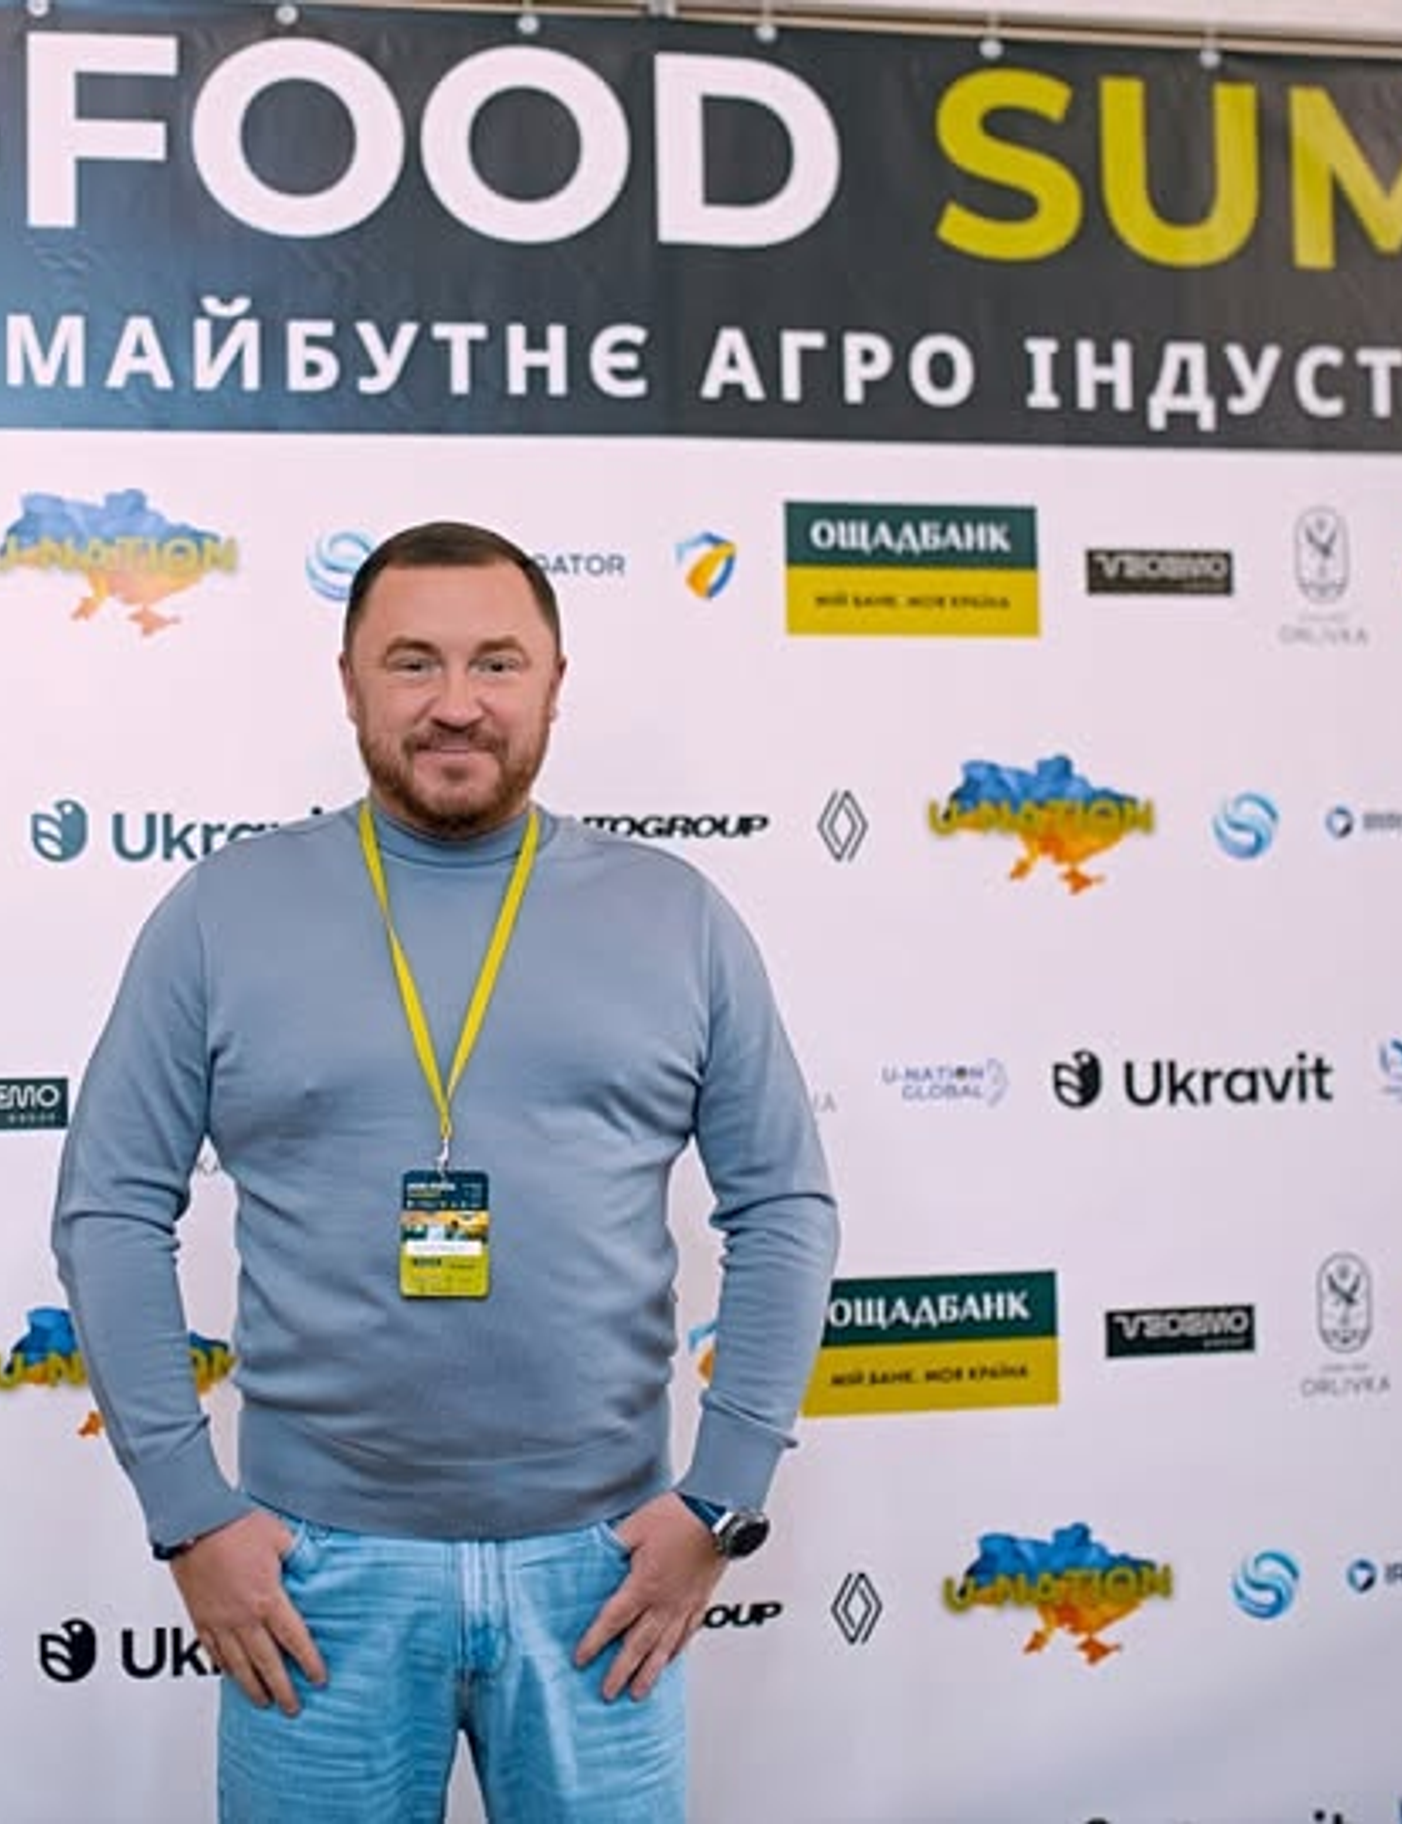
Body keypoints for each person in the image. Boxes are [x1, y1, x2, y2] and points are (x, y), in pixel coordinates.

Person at [52, 520, 839, 1823]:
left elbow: (784, 1206)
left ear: (555, 683)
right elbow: (109, 1206)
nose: (457, 703)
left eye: (497, 663)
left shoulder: (676, 915)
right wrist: (190, 1514)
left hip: (605, 1574)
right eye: (412, 662)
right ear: (349, 682)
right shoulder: (222, 911)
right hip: (314, 1577)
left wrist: (723, 1499)